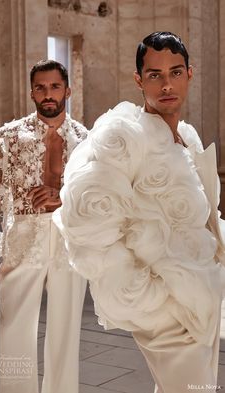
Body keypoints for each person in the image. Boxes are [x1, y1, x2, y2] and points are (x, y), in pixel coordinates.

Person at [53, 32, 225, 393]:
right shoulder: (123, 137)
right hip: (162, 308)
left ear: (190, 75)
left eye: (175, 73)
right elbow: (85, 222)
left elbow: (203, 218)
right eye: (154, 75)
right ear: (138, 79)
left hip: (202, 296)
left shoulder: (189, 138)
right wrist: (153, 298)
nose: (166, 84)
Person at [0, 60, 87, 393]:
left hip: (68, 241)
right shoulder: (9, 136)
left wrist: (61, 196)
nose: (48, 94)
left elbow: (96, 197)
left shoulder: (88, 141)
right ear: (31, 92)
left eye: (55, 86)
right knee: (14, 326)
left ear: (67, 90)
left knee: (66, 328)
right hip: (22, 238)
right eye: (41, 87)